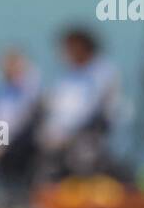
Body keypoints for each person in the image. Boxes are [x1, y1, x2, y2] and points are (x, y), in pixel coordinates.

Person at [39, 27, 123, 180]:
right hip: (60, 135)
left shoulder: (103, 72)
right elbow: (56, 107)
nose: (65, 53)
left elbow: (88, 110)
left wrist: (65, 132)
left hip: (91, 134)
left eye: (69, 48)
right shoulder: (67, 75)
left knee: (80, 154)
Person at [0, 49, 41, 208]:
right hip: (3, 135)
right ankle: (6, 204)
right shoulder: (0, 90)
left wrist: (1, 142)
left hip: (23, 138)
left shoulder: (28, 87)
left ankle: (24, 204)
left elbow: (21, 118)